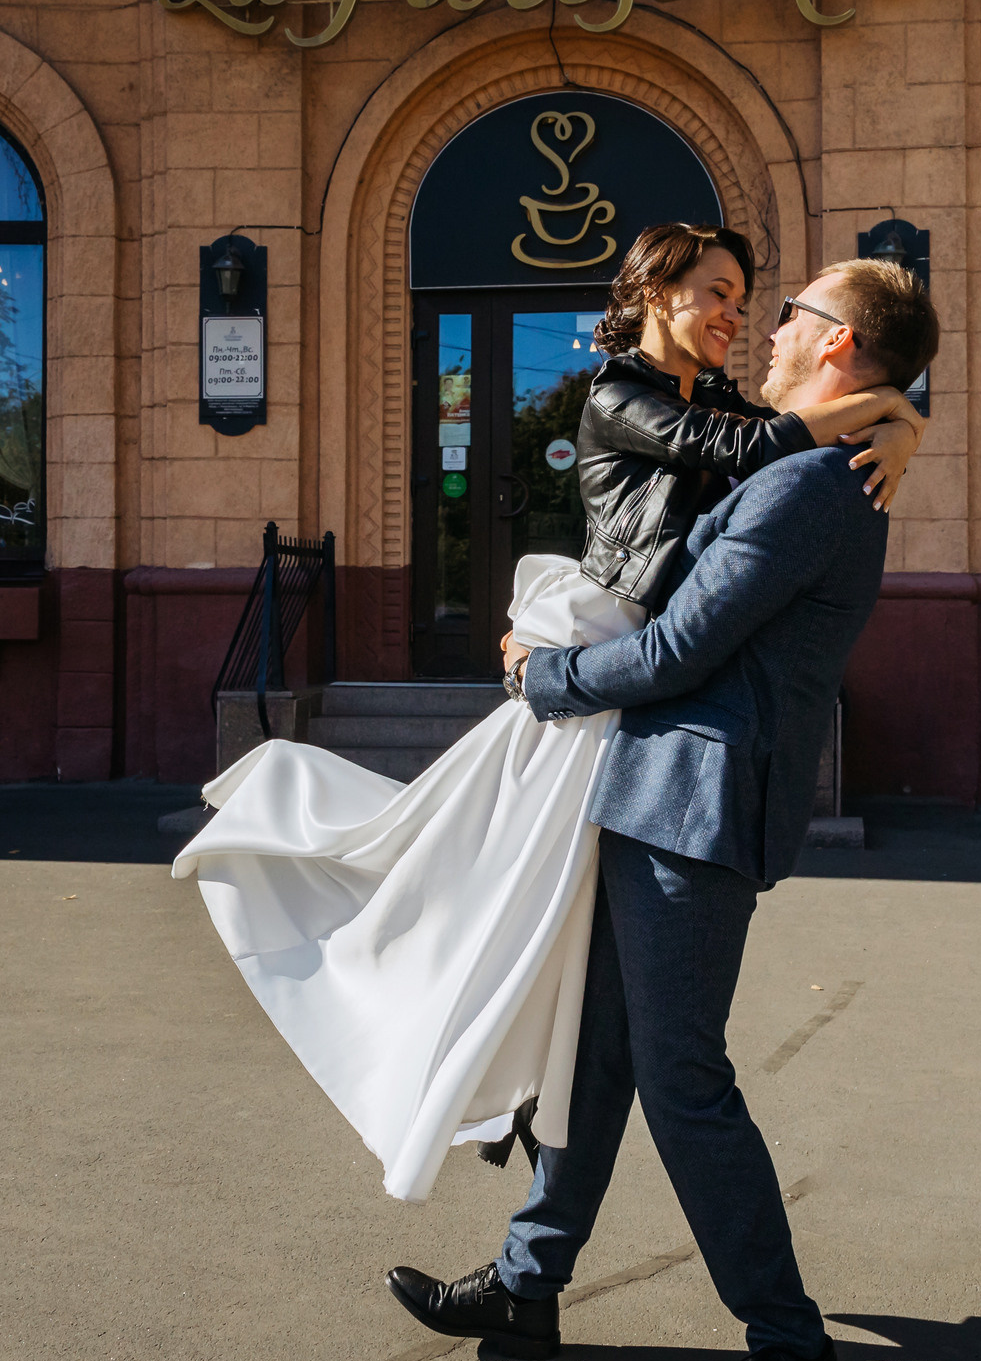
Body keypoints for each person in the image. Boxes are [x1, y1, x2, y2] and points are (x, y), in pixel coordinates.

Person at [171, 228, 921, 1206]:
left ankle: (534, 1228)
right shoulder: (622, 392)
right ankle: (414, 1012)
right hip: (603, 655)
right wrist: (895, 410)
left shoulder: (727, 409)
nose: (742, 318)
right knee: (482, 879)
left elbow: (776, 434)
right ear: (657, 292)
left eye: (755, 301)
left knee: (580, 982)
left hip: (641, 686)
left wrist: (893, 417)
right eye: (720, 294)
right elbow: (748, 449)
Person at [383, 257, 937, 1361]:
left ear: (838, 343)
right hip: (658, 793)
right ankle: (531, 1287)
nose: (774, 323)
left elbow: (684, 648)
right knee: (598, 1052)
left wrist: (546, 679)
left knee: (683, 1081)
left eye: (793, 310)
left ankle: (791, 1351)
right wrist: (909, 412)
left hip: (698, 804)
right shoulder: (810, 451)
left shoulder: (809, 490)